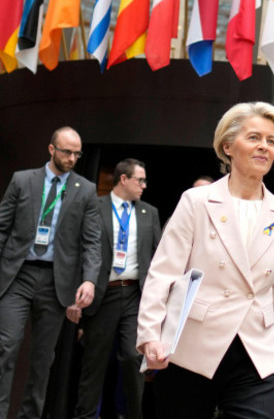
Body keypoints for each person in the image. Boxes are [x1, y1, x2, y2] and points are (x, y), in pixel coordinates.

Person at [136, 102, 274, 418]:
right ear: (227, 146)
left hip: (257, 351)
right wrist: (150, 334)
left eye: (271, 140)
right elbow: (164, 271)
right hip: (193, 346)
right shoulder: (197, 201)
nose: (264, 146)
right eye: (254, 137)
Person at [0, 126, 101, 418]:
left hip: (56, 281)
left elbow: (92, 241)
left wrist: (89, 280)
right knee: (6, 346)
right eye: (67, 151)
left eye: (77, 153)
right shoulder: (22, 180)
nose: (72, 158)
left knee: (43, 358)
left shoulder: (86, 190)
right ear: (51, 149)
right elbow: (2, 226)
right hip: (17, 276)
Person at [70, 158, 162, 419]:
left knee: (132, 358)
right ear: (124, 179)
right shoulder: (95, 207)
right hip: (103, 293)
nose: (144, 185)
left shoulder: (149, 212)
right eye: (139, 180)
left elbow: (157, 257)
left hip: (135, 294)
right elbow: (81, 251)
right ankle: (85, 416)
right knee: (94, 361)